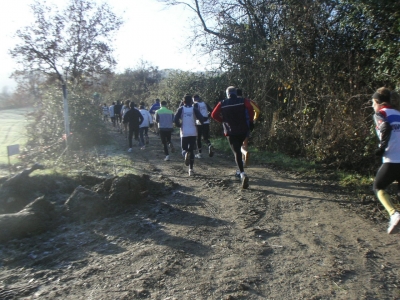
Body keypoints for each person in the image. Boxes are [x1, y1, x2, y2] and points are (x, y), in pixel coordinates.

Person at [211, 86, 254, 189]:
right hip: (243, 130)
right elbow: (250, 109)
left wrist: (222, 120)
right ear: (235, 92)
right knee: (240, 147)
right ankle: (241, 169)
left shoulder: (222, 103)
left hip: (230, 131)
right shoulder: (243, 100)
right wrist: (251, 121)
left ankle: (242, 174)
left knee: (236, 152)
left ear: (227, 94)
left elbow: (213, 114)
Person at [371, 87, 400, 234]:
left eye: (372, 103)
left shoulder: (380, 114)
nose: (372, 106)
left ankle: (394, 214)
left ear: (378, 102)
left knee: (378, 186)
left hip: (392, 158)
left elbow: (385, 128)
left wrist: (382, 147)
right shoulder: (399, 114)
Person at [174, 94, 205, 176]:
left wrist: (179, 125)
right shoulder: (194, 109)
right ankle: (190, 170)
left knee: (184, 149)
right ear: (191, 101)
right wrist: (202, 124)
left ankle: (185, 155)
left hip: (184, 132)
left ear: (183, 102)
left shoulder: (181, 109)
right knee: (191, 151)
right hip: (193, 132)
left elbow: (175, 119)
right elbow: (201, 119)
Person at [237, 88, 261, 168]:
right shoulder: (248, 101)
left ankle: (241, 160)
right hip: (247, 124)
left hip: (236, 125)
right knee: (245, 143)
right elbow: (257, 110)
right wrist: (254, 119)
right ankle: (244, 160)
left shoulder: (232, 102)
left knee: (236, 144)